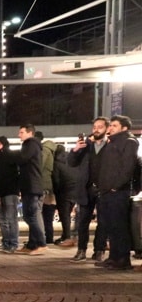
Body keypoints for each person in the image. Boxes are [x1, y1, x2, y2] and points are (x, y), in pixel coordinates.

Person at [92, 115, 138, 270]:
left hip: (117, 192)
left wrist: (116, 186)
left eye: (114, 126)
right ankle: (114, 258)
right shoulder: (112, 142)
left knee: (119, 227)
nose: (110, 128)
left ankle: (123, 260)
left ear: (124, 128)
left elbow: (127, 167)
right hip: (106, 191)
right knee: (110, 226)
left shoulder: (129, 142)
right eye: (110, 125)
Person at [68, 117, 110, 262]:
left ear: (106, 129)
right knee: (82, 221)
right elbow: (71, 163)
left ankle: (99, 250)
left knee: (103, 221)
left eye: (100, 127)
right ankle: (81, 250)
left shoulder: (110, 145)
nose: (96, 129)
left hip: (104, 188)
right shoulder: (86, 145)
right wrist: (76, 149)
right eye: (94, 127)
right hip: (85, 188)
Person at [14, 124, 47, 255]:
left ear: (30, 133)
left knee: (31, 216)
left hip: (32, 186)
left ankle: (41, 244)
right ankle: (32, 244)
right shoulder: (32, 145)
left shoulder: (31, 144)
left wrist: (12, 156)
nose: (19, 135)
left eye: (21, 132)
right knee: (29, 216)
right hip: (30, 185)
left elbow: (22, 158)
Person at [51, 143, 77, 247]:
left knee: (64, 215)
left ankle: (66, 236)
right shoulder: (71, 160)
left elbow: (56, 180)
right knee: (68, 214)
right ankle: (66, 235)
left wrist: (56, 191)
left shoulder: (56, 163)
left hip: (63, 191)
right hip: (74, 190)